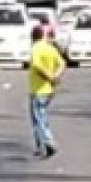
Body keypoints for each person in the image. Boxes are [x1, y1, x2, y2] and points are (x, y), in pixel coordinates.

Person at [28, 25, 65, 159]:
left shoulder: (36, 48)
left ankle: (48, 142)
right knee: (37, 118)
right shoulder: (50, 48)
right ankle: (40, 146)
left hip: (38, 89)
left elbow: (37, 65)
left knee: (39, 117)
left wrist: (49, 76)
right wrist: (56, 76)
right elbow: (62, 63)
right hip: (49, 90)